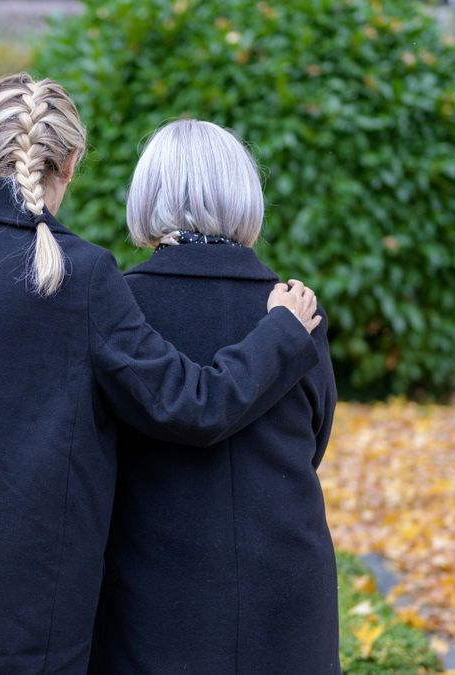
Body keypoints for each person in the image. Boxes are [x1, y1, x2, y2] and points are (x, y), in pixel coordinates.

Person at [0, 74, 323, 675]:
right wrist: (282, 333)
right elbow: (192, 407)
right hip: (24, 594)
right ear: (70, 162)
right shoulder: (83, 276)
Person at [89, 120, 339, 674]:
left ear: (147, 196)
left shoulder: (119, 309)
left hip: (151, 590)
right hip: (287, 585)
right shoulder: (295, 311)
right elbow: (314, 441)